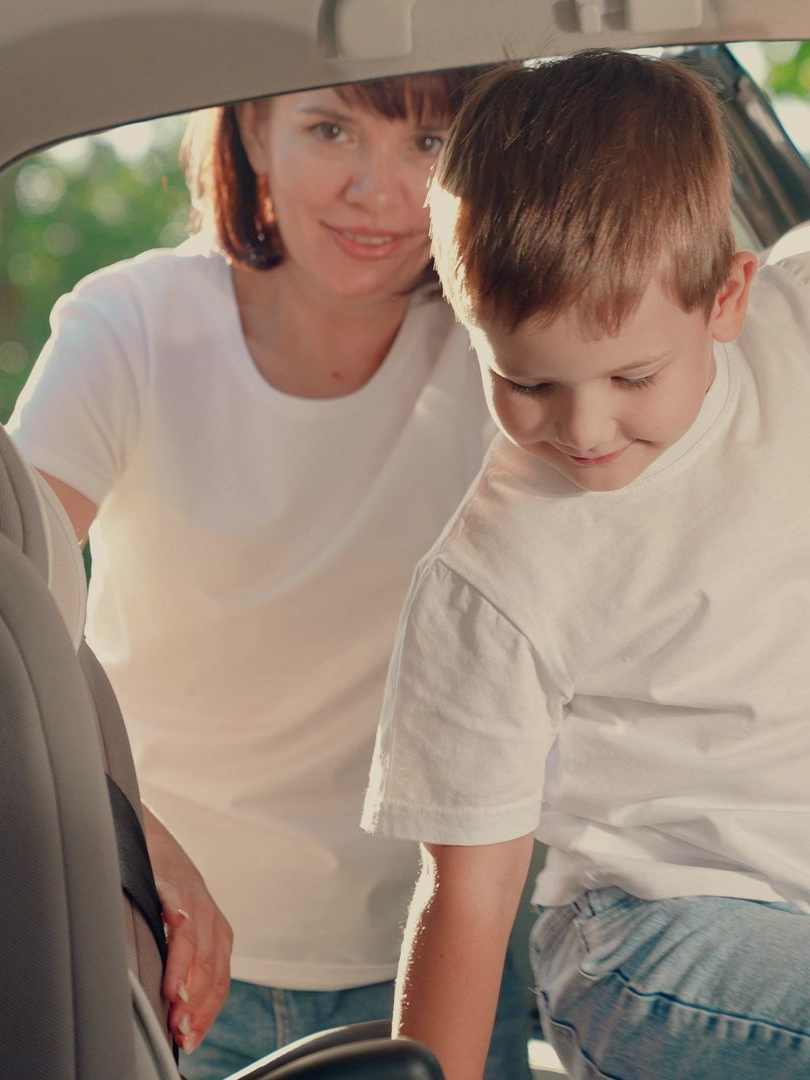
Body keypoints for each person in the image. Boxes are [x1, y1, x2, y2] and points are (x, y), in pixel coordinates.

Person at [8, 72, 533, 1079]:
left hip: (438, 957)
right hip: (172, 955)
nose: (380, 192)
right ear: (253, 126)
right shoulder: (132, 328)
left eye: (428, 144)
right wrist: (131, 839)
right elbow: (11, 612)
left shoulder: (501, 354)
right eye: (332, 128)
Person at [361, 49, 810, 1080]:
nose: (584, 427)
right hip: (649, 945)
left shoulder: (796, 322)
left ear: (729, 296)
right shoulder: (493, 576)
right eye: (525, 382)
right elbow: (469, 896)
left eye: (632, 374)